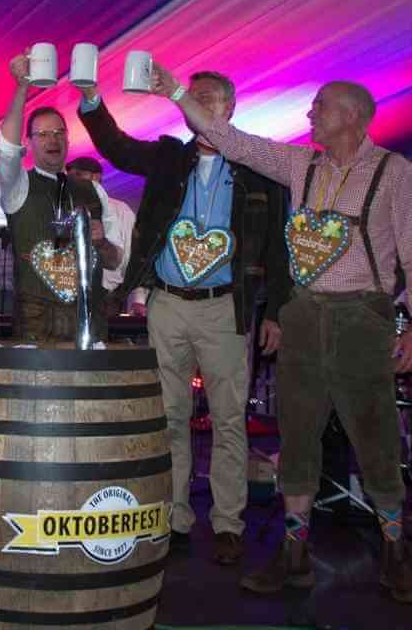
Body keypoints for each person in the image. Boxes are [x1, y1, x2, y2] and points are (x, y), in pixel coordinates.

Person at [153, 66, 412, 603]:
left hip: (363, 317)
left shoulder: (394, 172)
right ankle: (294, 556)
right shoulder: (301, 165)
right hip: (304, 315)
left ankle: (396, 555)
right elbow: (229, 139)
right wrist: (174, 92)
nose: (310, 113)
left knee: (376, 439)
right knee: (298, 438)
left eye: (320, 106)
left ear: (352, 116)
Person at [76, 71, 291, 566]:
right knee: (169, 416)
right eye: (192, 98)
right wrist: (91, 99)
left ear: (231, 108)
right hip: (167, 302)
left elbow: (279, 248)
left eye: (210, 98)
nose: (199, 104)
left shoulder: (257, 168)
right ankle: (175, 518)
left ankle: (228, 523)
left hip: (226, 306)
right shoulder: (170, 157)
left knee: (230, 419)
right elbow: (116, 147)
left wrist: (275, 311)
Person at [0, 52, 121, 343]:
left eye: (58, 133)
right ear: (29, 143)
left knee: (89, 389)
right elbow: (6, 150)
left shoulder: (93, 190)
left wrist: (101, 241)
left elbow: (116, 261)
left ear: (68, 138)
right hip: (37, 324)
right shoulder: (17, 186)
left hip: (88, 319)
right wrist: (21, 88)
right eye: (43, 134)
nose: (53, 139)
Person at [65, 156, 137, 320]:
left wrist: (133, 298)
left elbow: (132, 258)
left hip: (107, 298)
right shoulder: (61, 207)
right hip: (65, 293)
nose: (73, 185)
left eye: (78, 179)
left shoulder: (120, 211)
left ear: (96, 180)